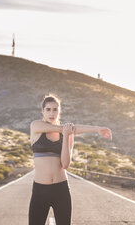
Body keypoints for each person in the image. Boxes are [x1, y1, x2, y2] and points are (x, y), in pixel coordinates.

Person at [28, 94, 112, 225]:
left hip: (61, 190)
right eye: (48, 109)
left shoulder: (67, 134)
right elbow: (64, 128)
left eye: (55, 109)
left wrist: (67, 136)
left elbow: (65, 164)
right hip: (40, 190)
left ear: (59, 111)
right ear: (42, 111)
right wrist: (71, 130)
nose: (52, 113)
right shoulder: (36, 127)